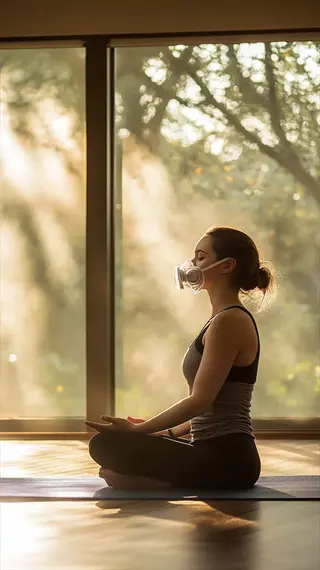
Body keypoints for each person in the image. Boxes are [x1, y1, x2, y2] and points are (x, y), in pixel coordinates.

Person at [87, 226, 276, 490]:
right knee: (106, 444)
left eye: (201, 257)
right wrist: (161, 432)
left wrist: (139, 432)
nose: (192, 264)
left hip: (229, 460)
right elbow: (207, 412)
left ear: (227, 265)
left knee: (105, 445)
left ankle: (156, 483)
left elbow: (200, 401)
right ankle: (154, 479)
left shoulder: (230, 321)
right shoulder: (219, 320)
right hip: (204, 447)